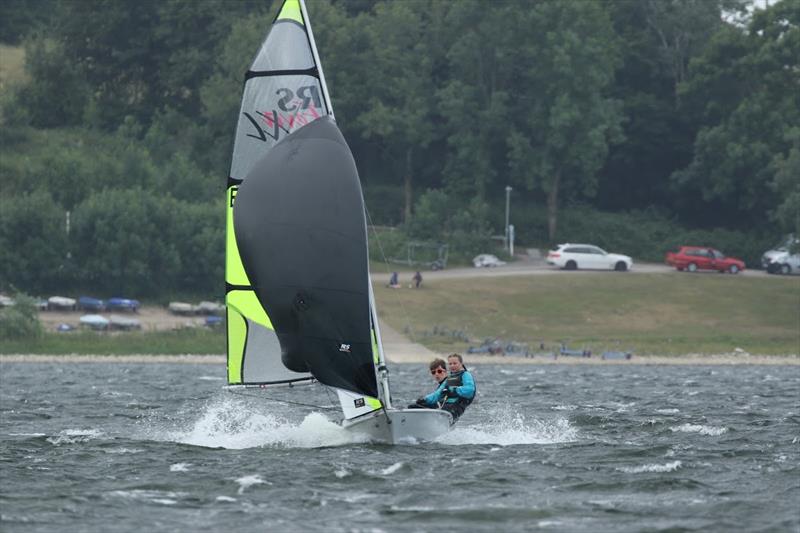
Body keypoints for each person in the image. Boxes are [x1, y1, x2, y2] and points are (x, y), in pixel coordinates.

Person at [417, 353, 476, 422]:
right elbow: (438, 394)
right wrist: (425, 399)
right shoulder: (450, 378)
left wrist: (455, 390)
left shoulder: (465, 375)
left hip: (456, 407)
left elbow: (470, 390)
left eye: (455, 363)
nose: (452, 366)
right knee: (415, 406)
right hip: (446, 407)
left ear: (461, 364)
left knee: (442, 411)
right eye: (450, 364)